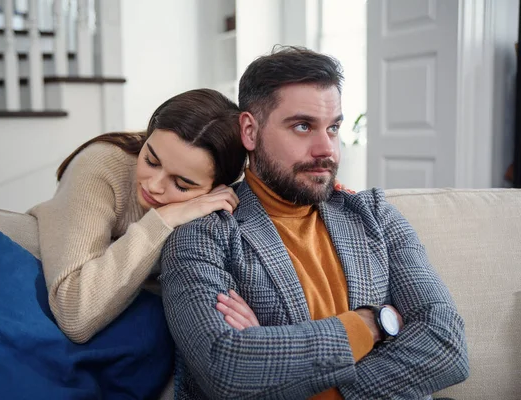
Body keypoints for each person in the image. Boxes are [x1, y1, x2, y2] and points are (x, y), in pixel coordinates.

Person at [160, 47, 469, 399]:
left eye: (333, 127)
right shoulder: (205, 233)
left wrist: (283, 370)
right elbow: (226, 367)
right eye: (303, 126)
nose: (327, 150)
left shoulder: (375, 215)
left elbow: (447, 346)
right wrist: (370, 324)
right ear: (249, 130)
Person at [28, 88, 246, 345]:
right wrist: (164, 219)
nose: (154, 185)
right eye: (151, 160)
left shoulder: (217, 207)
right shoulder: (101, 165)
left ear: (217, 187)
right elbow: (75, 314)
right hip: (27, 279)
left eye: (182, 184)